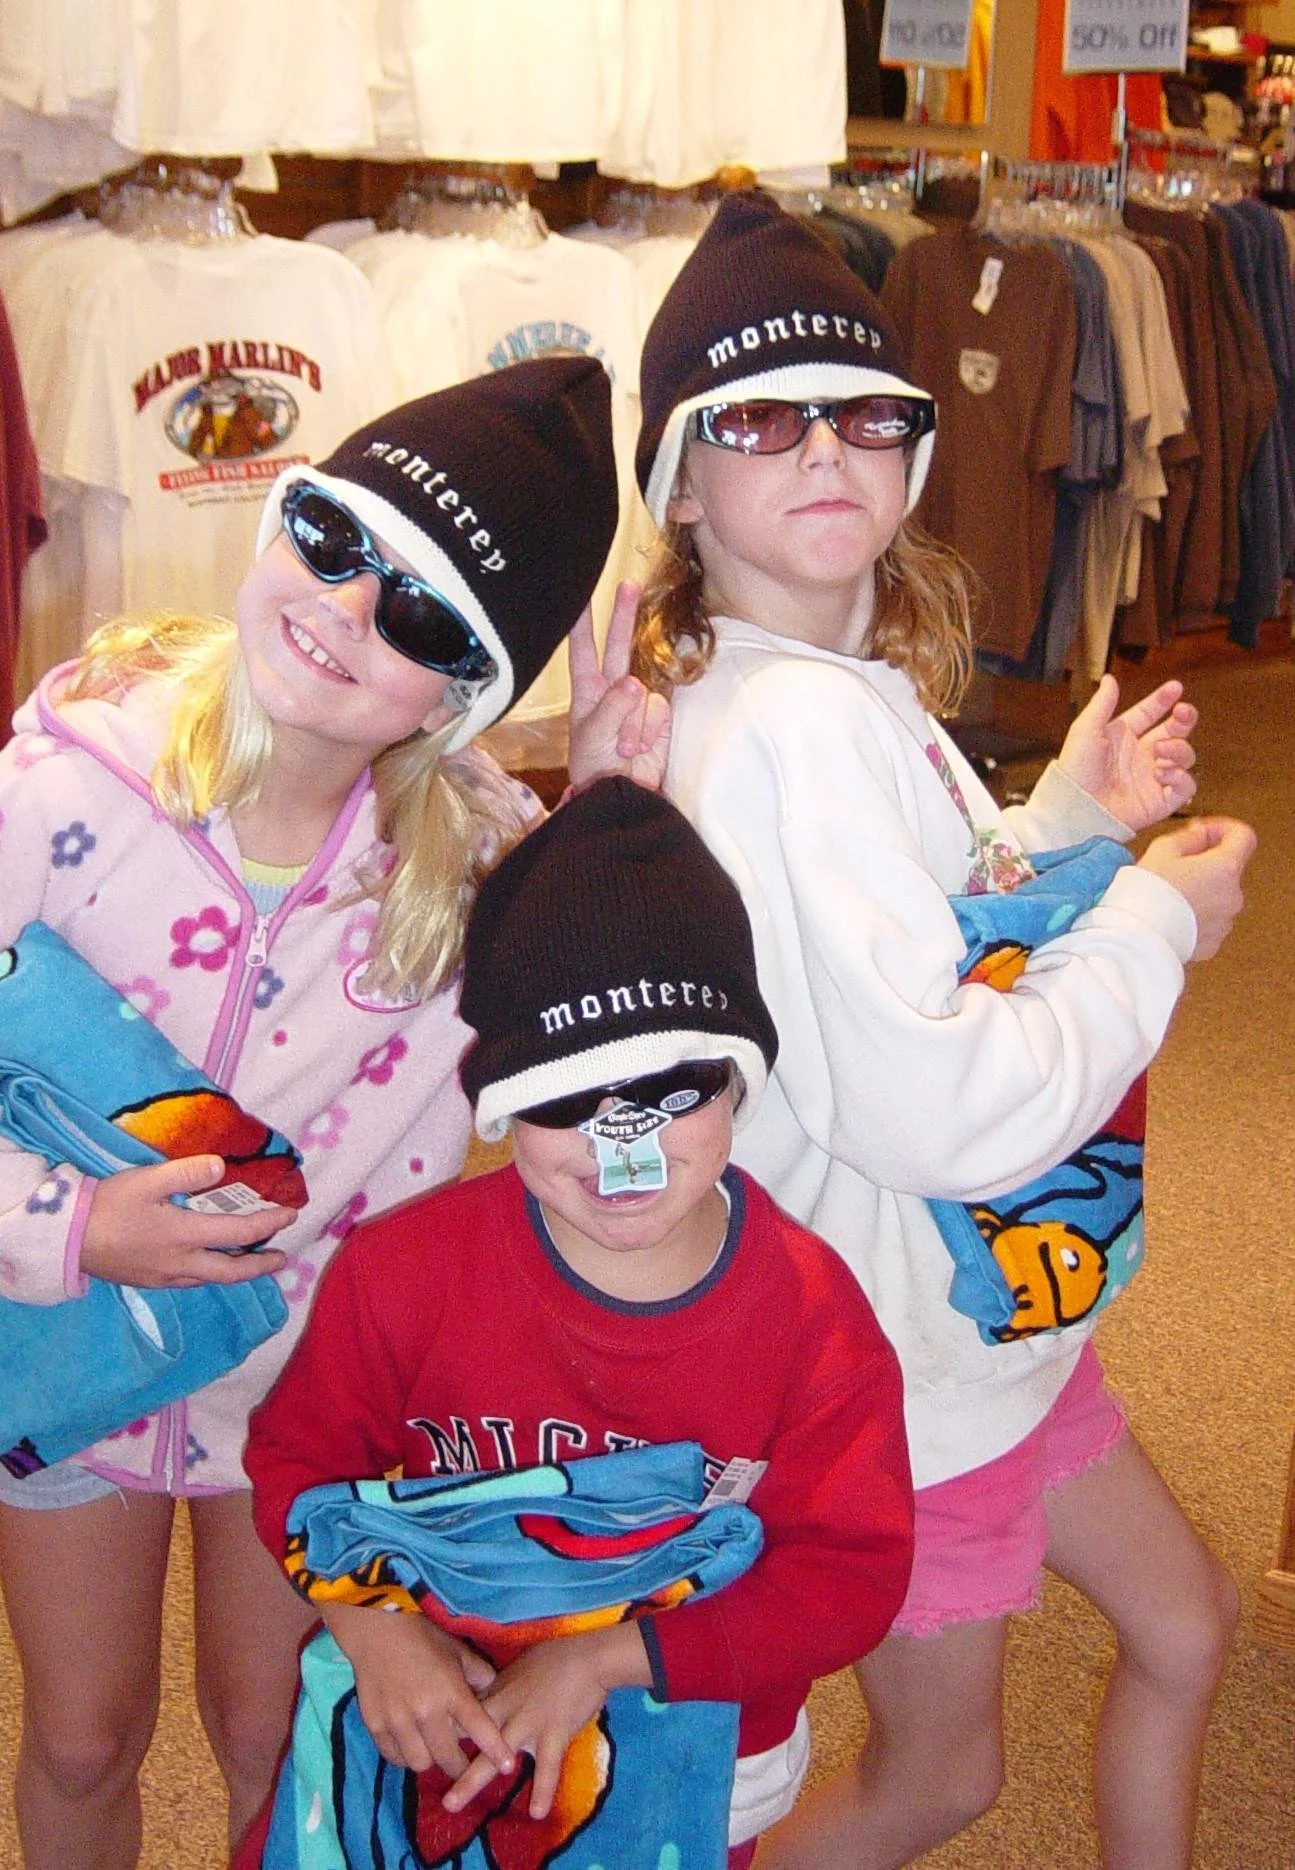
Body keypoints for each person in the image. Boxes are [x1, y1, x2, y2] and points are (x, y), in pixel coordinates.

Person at [628, 189, 1258, 1870]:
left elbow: (922, 925)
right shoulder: (787, 734)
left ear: (913, 454)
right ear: (683, 488)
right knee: (939, 1778)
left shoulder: (832, 696)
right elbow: (939, 1100)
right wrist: (1150, 926)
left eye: (866, 414)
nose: (823, 449)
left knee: (1189, 1630)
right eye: (757, 422)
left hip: (976, 1318)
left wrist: (1063, 826)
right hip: (904, 1351)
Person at [0, 354, 669, 1870]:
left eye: (424, 614)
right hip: (61, 1334)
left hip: (308, 1386)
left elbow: (612, 1076)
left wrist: (625, 810)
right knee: (83, 1728)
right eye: (332, 537)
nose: (348, 607)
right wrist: (73, 1222)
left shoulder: (488, 866)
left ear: (472, 692)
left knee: (273, 1730)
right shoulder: (60, 788)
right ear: (278, 522)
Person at [242, 774, 915, 1870]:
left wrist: (612, 1659)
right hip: (437, 1728)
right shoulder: (403, 1274)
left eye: (669, 1086)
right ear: (502, 1107)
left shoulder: (810, 1319)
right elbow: (299, 1460)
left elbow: (846, 1575)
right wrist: (371, 1626)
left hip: (690, 1737)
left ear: (738, 1084)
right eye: (565, 1097)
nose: (621, 1147)